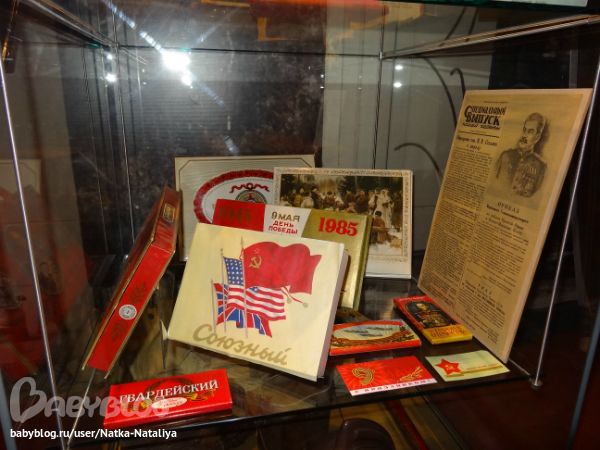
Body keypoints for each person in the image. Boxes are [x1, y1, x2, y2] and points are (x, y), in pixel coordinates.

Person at [494, 112, 547, 198]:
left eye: (530, 132)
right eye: (524, 130)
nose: (524, 135)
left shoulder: (540, 167)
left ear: (537, 137)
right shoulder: (505, 156)